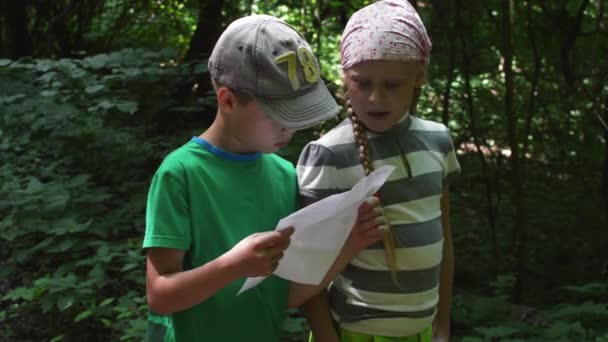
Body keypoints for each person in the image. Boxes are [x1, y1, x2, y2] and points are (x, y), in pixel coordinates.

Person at [142, 14, 387, 342]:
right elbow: (160, 296)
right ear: (228, 100)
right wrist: (233, 265)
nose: (291, 128)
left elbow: (283, 297)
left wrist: (352, 242)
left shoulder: (284, 175)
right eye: (279, 117)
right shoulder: (180, 174)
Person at [296, 1, 461, 341]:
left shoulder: (438, 141)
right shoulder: (329, 155)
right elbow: (307, 270)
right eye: (363, 82)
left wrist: (442, 326)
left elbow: (444, 243)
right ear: (345, 77)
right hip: (354, 334)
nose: (375, 98)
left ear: (419, 78)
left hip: (423, 333)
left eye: (392, 85)